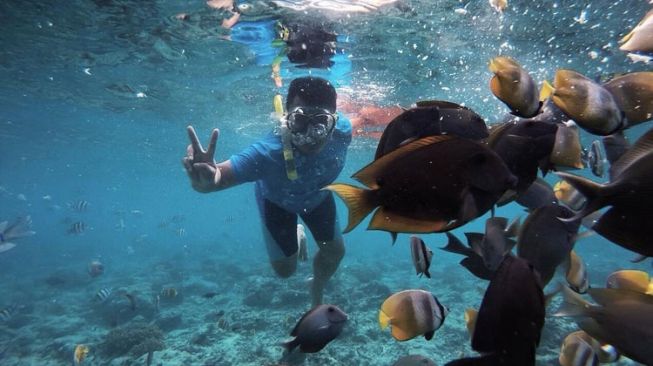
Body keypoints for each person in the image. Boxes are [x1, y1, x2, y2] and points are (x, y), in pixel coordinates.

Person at [182, 77, 351, 306]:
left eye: (321, 122)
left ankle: (316, 287)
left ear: (334, 122)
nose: (310, 135)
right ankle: (296, 230)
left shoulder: (343, 132)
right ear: (286, 119)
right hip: (277, 201)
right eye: (300, 121)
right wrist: (207, 181)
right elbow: (219, 176)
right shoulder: (268, 152)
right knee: (285, 271)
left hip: (317, 197)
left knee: (335, 253)